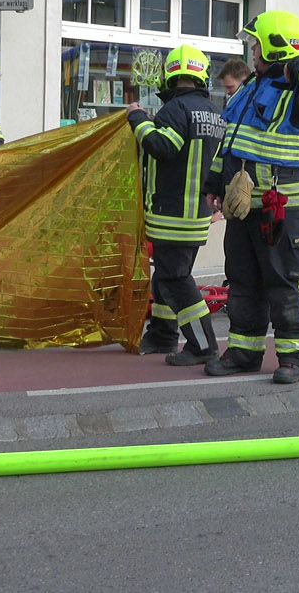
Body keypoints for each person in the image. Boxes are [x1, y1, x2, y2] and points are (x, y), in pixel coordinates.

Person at [204, 11, 299, 385]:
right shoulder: (251, 89)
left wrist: (296, 60)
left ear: (273, 47)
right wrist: (215, 185)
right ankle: (244, 353)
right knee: (243, 281)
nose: (251, 51)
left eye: (256, 44)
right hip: (246, 207)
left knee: (285, 283)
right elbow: (230, 143)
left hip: (285, 210)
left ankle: (295, 356)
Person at [127, 44, 223, 364]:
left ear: (171, 75)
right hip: (195, 213)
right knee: (167, 274)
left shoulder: (175, 110)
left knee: (175, 279)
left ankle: (202, 344)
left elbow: (162, 147)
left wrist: (138, 118)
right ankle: (163, 334)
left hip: (172, 213)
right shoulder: (212, 112)